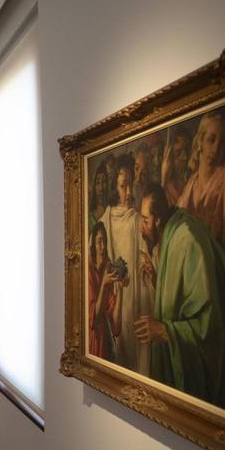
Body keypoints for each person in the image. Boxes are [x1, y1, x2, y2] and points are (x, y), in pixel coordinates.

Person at [135, 183, 225, 417]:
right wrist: (157, 278)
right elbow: (181, 299)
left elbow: (210, 325)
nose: (142, 227)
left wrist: (164, 331)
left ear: (158, 221)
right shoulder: (172, 233)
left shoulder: (186, 239)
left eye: (145, 220)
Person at [98, 154, 152, 373]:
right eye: (123, 186)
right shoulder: (105, 220)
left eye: (131, 185)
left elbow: (146, 260)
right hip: (115, 300)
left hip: (135, 300)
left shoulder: (137, 219)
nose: (128, 193)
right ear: (115, 185)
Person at [175, 111, 225, 277]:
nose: (215, 149)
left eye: (222, 143)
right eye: (211, 140)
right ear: (200, 141)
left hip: (218, 279)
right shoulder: (190, 185)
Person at [87, 222, 120, 359]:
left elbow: (116, 326)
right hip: (92, 343)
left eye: (105, 241)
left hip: (105, 344)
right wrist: (104, 285)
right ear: (93, 246)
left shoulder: (107, 266)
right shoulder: (88, 270)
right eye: (99, 241)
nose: (103, 247)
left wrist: (122, 288)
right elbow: (93, 319)